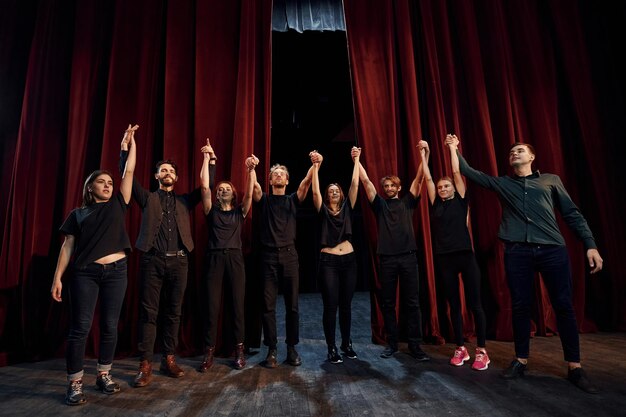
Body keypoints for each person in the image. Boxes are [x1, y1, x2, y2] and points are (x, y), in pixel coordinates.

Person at [450, 135, 603, 393]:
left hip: (552, 250)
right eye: (511, 152)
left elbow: (571, 213)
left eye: (520, 150)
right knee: (520, 306)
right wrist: (454, 148)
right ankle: (521, 360)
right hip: (517, 252)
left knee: (563, 305)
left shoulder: (550, 180)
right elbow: (466, 171)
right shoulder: (503, 184)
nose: (514, 153)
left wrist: (590, 243)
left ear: (531, 157)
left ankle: (575, 366)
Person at [51, 124, 138, 405]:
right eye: (103, 182)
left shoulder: (118, 204)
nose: (109, 185)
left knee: (111, 326)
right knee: (81, 327)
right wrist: (57, 278)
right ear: (91, 187)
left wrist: (129, 143)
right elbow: (67, 247)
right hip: (85, 273)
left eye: (110, 183)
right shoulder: (78, 213)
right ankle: (75, 383)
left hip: (117, 271)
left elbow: (130, 171)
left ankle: (104, 374)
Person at [121, 139, 216, 388]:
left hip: (180, 263)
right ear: (156, 176)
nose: (168, 173)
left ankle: (169, 358)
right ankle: (145, 363)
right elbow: (128, 174)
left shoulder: (185, 200)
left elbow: (206, 186)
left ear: (176, 177)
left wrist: (208, 160)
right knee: (148, 313)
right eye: (163, 170)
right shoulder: (147, 198)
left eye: (171, 171)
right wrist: (126, 150)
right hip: (152, 261)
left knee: (174, 313)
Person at [418, 138, 489, 370]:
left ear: (453, 188)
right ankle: (460, 348)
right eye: (440, 187)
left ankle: (481, 350)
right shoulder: (435, 204)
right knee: (454, 306)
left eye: (446, 186)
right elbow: (427, 178)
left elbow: (457, 172)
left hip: (465, 257)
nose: (442, 188)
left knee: (475, 303)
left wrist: (452, 148)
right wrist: (423, 155)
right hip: (445, 258)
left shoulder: (461, 200)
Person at [357, 147, 430, 361]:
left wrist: (424, 154)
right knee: (388, 302)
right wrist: (357, 159)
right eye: (386, 186)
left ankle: (415, 346)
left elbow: (420, 178)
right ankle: (392, 344)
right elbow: (366, 183)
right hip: (387, 259)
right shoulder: (379, 205)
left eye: (391, 185)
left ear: (398, 187)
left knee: (412, 302)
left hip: (408, 257)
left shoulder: (408, 202)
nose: (388, 188)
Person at [251, 156, 318, 368]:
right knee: (267, 305)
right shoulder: (265, 200)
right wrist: (252, 168)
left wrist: (315, 165)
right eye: (274, 173)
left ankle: (291, 348)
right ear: (270, 181)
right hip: (268, 256)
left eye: (282, 173)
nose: (278, 175)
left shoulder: (292, 199)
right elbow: (254, 187)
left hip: (289, 255)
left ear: (287, 180)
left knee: (293, 306)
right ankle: (271, 349)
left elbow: (306, 182)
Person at [197, 140, 258, 371]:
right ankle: (208, 352)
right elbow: (204, 188)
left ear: (233, 193)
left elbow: (250, 194)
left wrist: (251, 171)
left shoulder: (239, 212)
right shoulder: (210, 211)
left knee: (237, 306)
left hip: (235, 259)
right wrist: (206, 158)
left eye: (227, 188)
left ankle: (239, 350)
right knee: (212, 307)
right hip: (214, 259)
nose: (223, 190)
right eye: (220, 188)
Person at [311, 147, 361, 364]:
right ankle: (331, 347)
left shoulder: (348, 207)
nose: (333, 192)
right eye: (329, 190)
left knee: (346, 305)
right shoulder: (322, 209)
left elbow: (356, 184)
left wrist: (356, 160)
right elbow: (314, 192)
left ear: (341, 193)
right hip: (329, 262)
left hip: (349, 261)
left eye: (336, 190)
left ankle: (346, 343)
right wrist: (315, 168)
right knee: (331, 305)